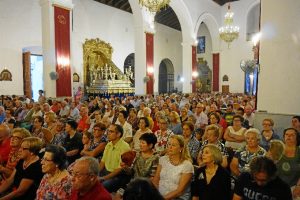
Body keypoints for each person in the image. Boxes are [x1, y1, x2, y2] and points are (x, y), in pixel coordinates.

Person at [152, 135, 194, 200]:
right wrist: (155, 195)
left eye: (173, 145)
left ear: (181, 148)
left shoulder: (187, 165)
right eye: (169, 144)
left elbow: (179, 191)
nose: (170, 147)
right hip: (159, 195)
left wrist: (162, 199)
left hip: (178, 198)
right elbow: (155, 180)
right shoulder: (163, 159)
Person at [99, 124, 131, 192]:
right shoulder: (109, 144)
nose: (108, 133)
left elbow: (119, 169)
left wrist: (103, 178)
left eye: (111, 131)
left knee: (102, 186)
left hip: (117, 175)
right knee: (89, 178)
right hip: (106, 171)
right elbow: (103, 161)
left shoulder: (125, 147)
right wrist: (96, 173)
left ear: (118, 134)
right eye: (108, 131)